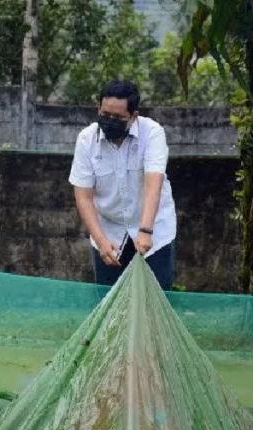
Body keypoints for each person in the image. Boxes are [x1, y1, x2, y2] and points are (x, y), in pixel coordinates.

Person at [69, 80, 176, 290]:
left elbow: (153, 185)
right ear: (98, 109)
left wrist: (145, 231)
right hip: (108, 233)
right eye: (105, 115)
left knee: (156, 302)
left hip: (154, 232)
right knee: (110, 307)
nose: (110, 121)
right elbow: (83, 197)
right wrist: (100, 241)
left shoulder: (152, 133)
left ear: (133, 116)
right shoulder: (86, 140)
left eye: (118, 118)